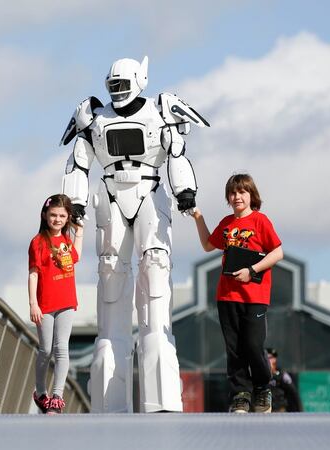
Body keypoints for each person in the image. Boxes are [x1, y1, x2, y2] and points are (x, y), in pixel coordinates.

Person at [59, 56, 209, 413]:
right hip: (109, 196)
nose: (118, 91)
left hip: (149, 193)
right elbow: (78, 162)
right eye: (113, 85)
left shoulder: (161, 111)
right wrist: (75, 203)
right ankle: (111, 396)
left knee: (155, 271)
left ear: (141, 79)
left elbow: (176, 152)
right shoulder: (94, 117)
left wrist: (185, 191)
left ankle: (159, 388)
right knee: (110, 274)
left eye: (123, 84)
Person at [191, 173, 283, 413]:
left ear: (251, 195)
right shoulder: (226, 223)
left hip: (254, 297)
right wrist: (198, 217)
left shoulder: (260, 221)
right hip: (227, 296)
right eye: (232, 193)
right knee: (234, 350)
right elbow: (208, 245)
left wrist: (251, 270)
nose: (237, 196)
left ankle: (263, 388)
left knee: (253, 346)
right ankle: (240, 396)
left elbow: (277, 253)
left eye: (242, 191)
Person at [28, 194, 83, 414]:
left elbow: (75, 257)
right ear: (45, 215)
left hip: (67, 302)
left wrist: (80, 232)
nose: (57, 219)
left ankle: (57, 396)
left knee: (62, 349)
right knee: (45, 350)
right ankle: (41, 392)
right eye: (53, 215)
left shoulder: (67, 241)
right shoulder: (38, 242)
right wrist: (33, 304)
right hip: (45, 304)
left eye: (62, 216)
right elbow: (33, 274)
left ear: (67, 217)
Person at [266, 348, 303, 412]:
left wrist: (299, 410)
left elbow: (293, 392)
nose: (270, 360)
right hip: (264, 410)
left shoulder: (282, 375)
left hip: (279, 409)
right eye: (268, 358)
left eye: (272, 358)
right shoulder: (259, 375)